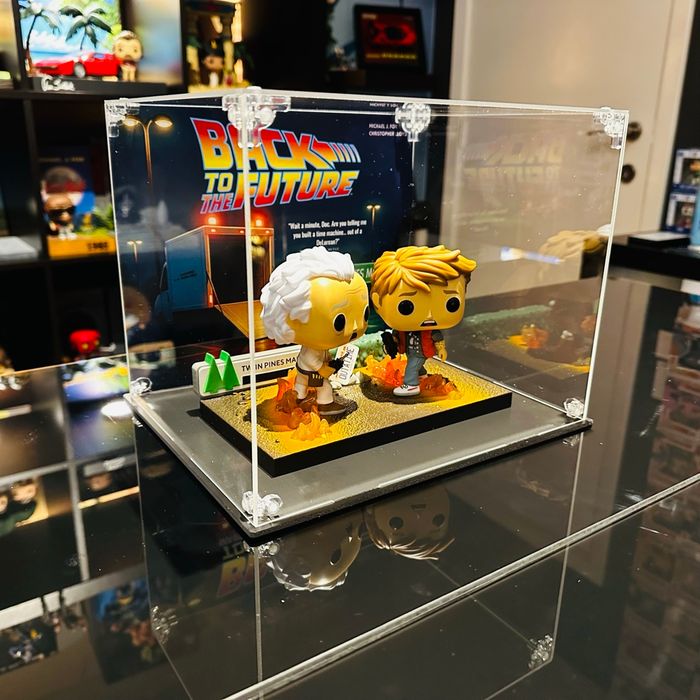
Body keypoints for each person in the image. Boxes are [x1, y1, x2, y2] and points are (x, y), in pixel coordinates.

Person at [261, 246, 369, 416]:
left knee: (300, 384)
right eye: (340, 322)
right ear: (295, 319)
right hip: (312, 371)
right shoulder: (313, 348)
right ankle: (325, 404)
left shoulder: (317, 346)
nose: (355, 328)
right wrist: (324, 368)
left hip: (303, 369)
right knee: (324, 387)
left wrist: (330, 363)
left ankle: (298, 398)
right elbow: (312, 360)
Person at [371, 245, 476, 397]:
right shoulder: (403, 328)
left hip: (421, 351)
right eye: (406, 307)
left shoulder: (430, 331)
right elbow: (397, 335)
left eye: (451, 303)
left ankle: (411, 385)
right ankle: (421, 376)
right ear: (377, 302)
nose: (429, 316)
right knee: (414, 365)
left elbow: (437, 338)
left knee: (412, 366)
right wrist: (392, 342)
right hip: (410, 350)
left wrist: (441, 349)